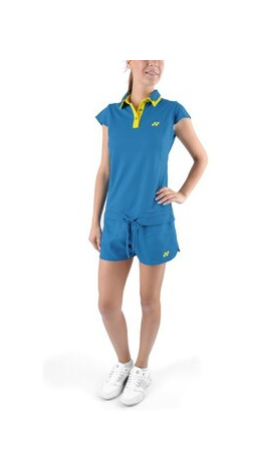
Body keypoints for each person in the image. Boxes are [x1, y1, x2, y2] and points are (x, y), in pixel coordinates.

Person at [89, 60, 208, 406]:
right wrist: (94, 220)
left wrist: (182, 193)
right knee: (107, 305)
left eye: (160, 57)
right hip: (115, 220)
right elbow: (104, 170)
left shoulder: (172, 111)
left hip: (154, 220)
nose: (154, 63)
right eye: (145, 55)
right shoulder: (111, 115)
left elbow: (201, 157)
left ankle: (142, 368)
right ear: (130, 61)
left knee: (148, 301)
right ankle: (124, 362)